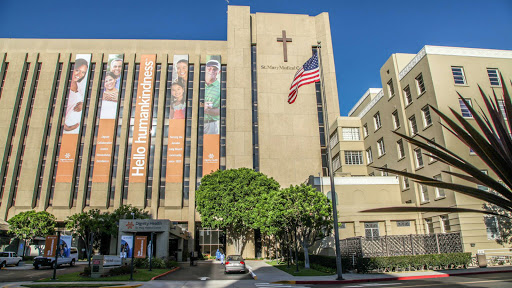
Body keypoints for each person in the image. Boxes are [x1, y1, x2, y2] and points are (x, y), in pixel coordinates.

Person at [63, 58, 89, 134]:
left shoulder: (80, 86)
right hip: (66, 128)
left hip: (78, 129)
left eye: (83, 72)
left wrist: (82, 104)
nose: (79, 74)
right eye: (77, 70)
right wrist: (66, 126)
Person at [203, 59, 221, 135]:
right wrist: (202, 106)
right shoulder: (198, 84)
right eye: (209, 68)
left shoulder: (220, 88)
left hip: (211, 125)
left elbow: (222, 110)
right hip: (195, 122)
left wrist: (208, 110)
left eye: (214, 69)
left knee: (211, 146)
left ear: (219, 72)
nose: (211, 71)